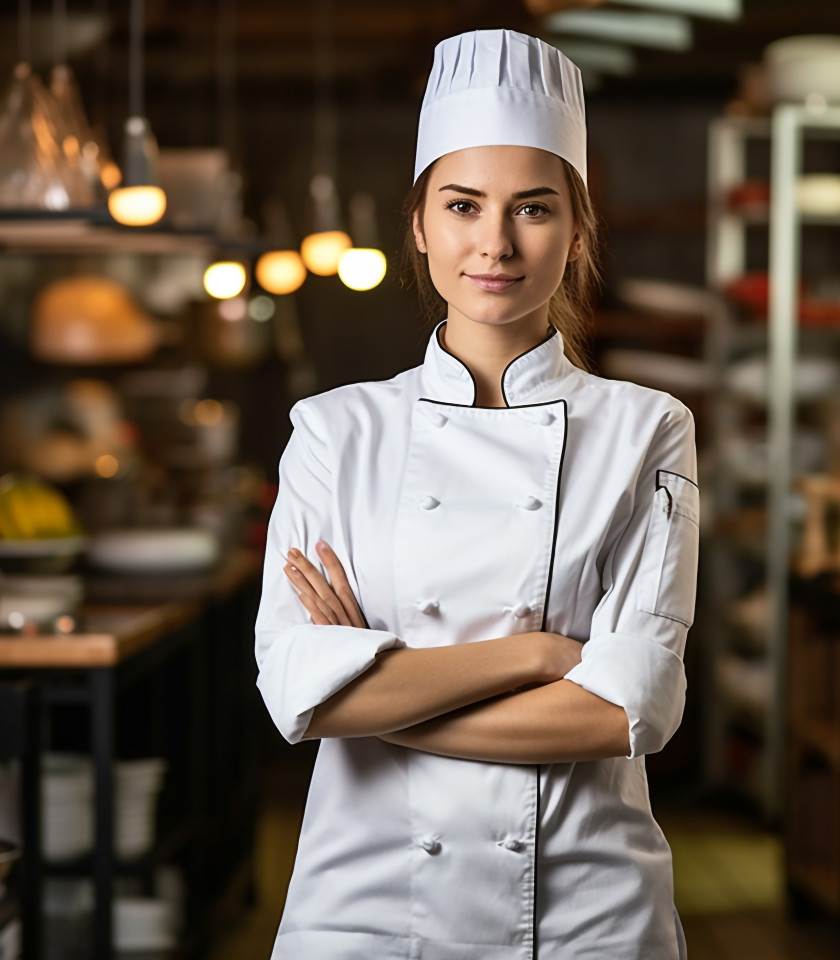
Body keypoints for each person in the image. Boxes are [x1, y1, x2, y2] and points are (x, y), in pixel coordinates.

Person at [254, 27, 699, 960]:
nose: (495, 242)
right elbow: (299, 691)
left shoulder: (647, 428)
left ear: (575, 232)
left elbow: (630, 711)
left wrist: (379, 692)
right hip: (367, 911)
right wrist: (541, 654)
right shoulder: (335, 432)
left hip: (586, 912)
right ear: (420, 227)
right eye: (464, 205)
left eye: (533, 209)